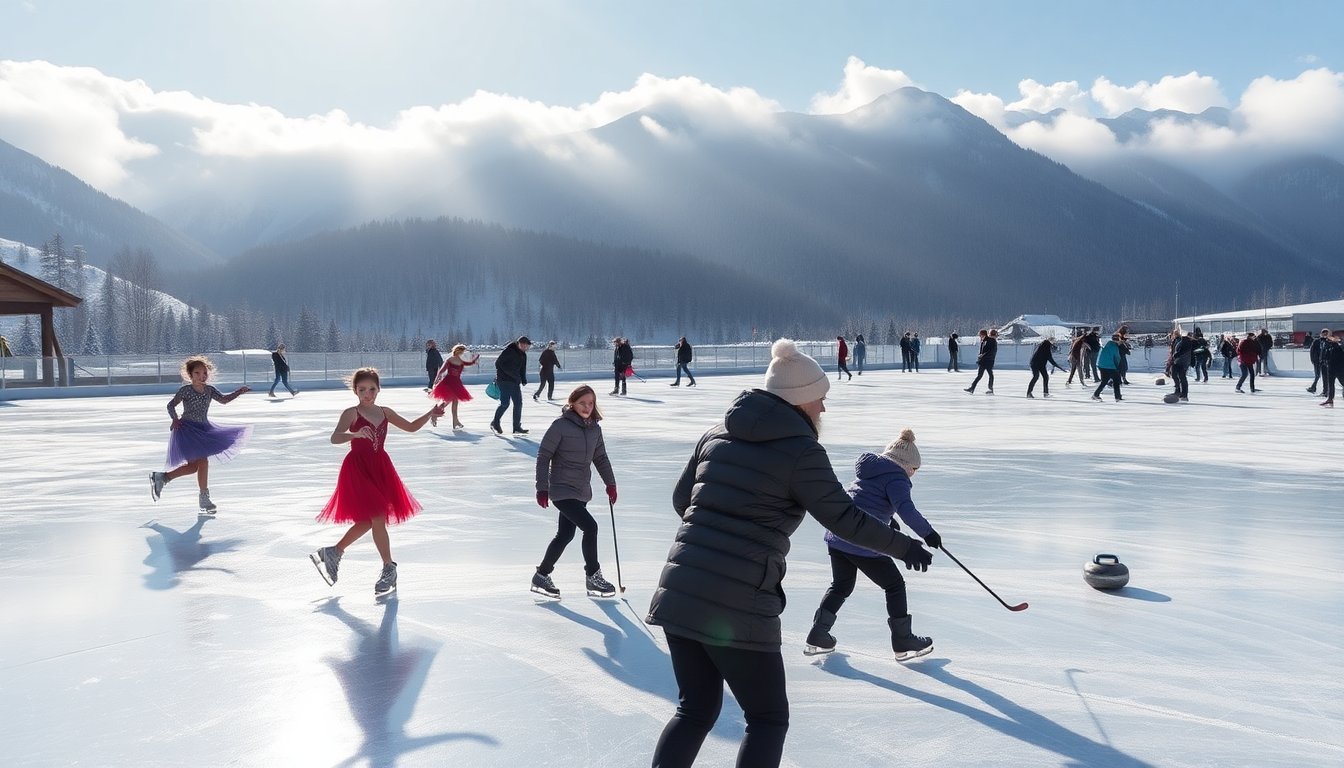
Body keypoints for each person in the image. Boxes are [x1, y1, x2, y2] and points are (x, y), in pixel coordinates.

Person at [646, 339, 932, 768]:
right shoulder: (801, 452)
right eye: (819, 399)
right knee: (767, 718)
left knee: (695, 710)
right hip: (739, 599)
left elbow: (681, 500)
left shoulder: (716, 433)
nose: (823, 409)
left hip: (680, 588)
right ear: (799, 400)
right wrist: (905, 546)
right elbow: (845, 519)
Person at [805, 428, 941, 661]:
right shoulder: (898, 477)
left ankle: (818, 635)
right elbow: (906, 510)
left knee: (841, 586)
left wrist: (888, 522)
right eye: (914, 470)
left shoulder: (871, 471)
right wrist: (928, 533)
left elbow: (865, 499)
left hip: (837, 537)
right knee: (894, 585)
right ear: (907, 465)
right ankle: (903, 641)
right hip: (861, 543)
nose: (912, 475)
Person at [309, 368, 444, 596]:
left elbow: (410, 427)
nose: (367, 394)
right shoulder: (351, 413)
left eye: (372, 389)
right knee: (377, 516)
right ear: (355, 391)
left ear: (378, 389)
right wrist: (355, 434)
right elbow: (334, 438)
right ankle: (388, 567)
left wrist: (430, 413)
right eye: (362, 390)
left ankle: (334, 552)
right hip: (358, 469)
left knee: (370, 520)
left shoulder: (385, 412)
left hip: (380, 468)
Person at [529, 385, 619, 600]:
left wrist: (610, 483)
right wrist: (542, 487)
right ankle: (593, 575)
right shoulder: (560, 426)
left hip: (580, 489)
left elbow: (601, 458)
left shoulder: (595, 429)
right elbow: (543, 456)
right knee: (590, 527)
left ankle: (541, 575)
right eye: (582, 403)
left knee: (566, 534)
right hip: (561, 488)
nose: (587, 407)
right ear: (572, 403)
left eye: (591, 403)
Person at [148, 356, 251, 514]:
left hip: (203, 430)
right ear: (190, 375)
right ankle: (204, 498)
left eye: (204, 373)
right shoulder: (186, 391)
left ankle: (163, 478)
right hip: (187, 430)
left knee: (193, 467)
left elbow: (223, 400)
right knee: (202, 462)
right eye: (197, 373)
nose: (202, 376)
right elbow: (170, 405)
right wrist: (175, 419)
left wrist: (238, 392)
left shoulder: (209, 390)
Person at [431, 343, 481, 429]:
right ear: (459, 352)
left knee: (453, 401)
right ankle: (435, 415)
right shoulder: (451, 359)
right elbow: (442, 370)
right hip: (450, 382)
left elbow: (468, 363)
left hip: (454, 382)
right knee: (448, 401)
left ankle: (455, 421)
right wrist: (436, 379)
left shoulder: (458, 360)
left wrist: (475, 359)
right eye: (463, 352)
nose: (464, 354)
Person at [491, 336, 532, 434]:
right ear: (518, 343)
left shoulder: (523, 355)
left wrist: (523, 379)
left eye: (526, 346)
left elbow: (522, 368)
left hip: (515, 382)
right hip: (504, 381)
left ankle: (516, 427)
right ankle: (495, 423)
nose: (524, 347)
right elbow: (498, 363)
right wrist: (510, 374)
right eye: (523, 344)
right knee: (505, 403)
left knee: (518, 404)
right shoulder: (509, 351)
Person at [1091, 333, 1124, 402]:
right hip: (1109, 366)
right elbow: (1117, 358)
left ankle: (1096, 394)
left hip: (1101, 365)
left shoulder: (1107, 345)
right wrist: (1117, 366)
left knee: (1104, 381)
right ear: (1118, 340)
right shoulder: (1114, 346)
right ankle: (1117, 397)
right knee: (1116, 380)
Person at [964, 328, 997, 394]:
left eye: (980, 335)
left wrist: (982, 356)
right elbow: (983, 351)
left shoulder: (991, 341)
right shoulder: (983, 341)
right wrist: (980, 358)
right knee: (980, 375)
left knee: (990, 374)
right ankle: (972, 388)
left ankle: (990, 389)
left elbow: (991, 351)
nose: (979, 336)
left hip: (989, 361)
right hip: (983, 361)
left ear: (983, 334)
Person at [1169, 328, 1193, 401]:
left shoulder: (1185, 341)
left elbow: (1183, 350)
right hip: (1177, 361)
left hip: (1183, 362)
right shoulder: (1177, 340)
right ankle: (1178, 390)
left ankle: (1184, 394)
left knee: (1182, 377)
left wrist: (1175, 355)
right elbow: (1175, 350)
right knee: (1174, 374)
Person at [1320, 331, 1342, 407]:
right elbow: (1326, 356)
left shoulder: (1339, 347)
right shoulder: (1329, 347)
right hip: (1331, 368)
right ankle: (1330, 399)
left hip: (1339, 369)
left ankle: (1330, 399)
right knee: (1331, 384)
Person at [1307, 329, 1330, 394]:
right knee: (1317, 375)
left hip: (1325, 362)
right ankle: (1315, 388)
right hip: (1317, 361)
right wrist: (1313, 360)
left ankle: (1324, 390)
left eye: (1326, 334)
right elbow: (1312, 351)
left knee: (1325, 376)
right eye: (1324, 333)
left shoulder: (1328, 342)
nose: (1325, 335)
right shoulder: (1316, 341)